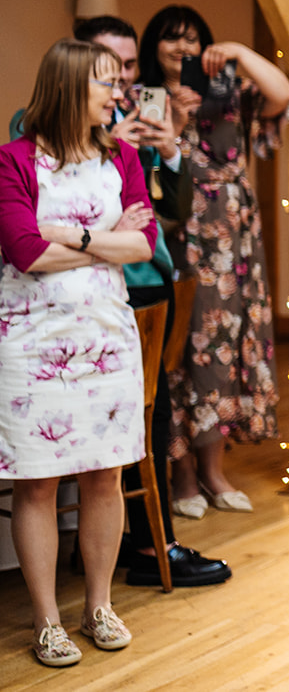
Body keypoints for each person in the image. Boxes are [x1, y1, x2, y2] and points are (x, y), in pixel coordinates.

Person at [39, 18, 229, 586]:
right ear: (77, 65)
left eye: (127, 67)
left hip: (145, 281)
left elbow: (165, 214)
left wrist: (168, 150)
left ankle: (149, 543)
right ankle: (142, 546)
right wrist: (114, 150)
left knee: (151, 412)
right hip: (71, 296)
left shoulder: (142, 121)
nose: (123, 80)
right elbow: (42, 228)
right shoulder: (41, 130)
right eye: (110, 67)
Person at [0, 39, 157, 666]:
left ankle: (98, 606)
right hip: (32, 343)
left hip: (108, 337)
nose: (117, 93)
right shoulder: (12, 161)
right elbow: (25, 253)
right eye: (106, 82)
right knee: (36, 485)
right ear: (69, 86)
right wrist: (106, 241)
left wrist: (76, 235)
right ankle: (46, 621)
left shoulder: (122, 157)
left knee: (105, 476)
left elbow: (143, 246)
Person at [139, 5, 289, 519]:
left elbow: (283, 95)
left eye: (191, 39)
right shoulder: (143, 99)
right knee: (186, 351)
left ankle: (213, 470)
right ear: (153, 46)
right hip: (180, 235)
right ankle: (182, 474)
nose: (181, 48)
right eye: (170, 39)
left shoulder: (228, 91)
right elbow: (146, 176)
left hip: (236, 240)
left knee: (227, 348)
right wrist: (176, 120)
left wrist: (241, 52)